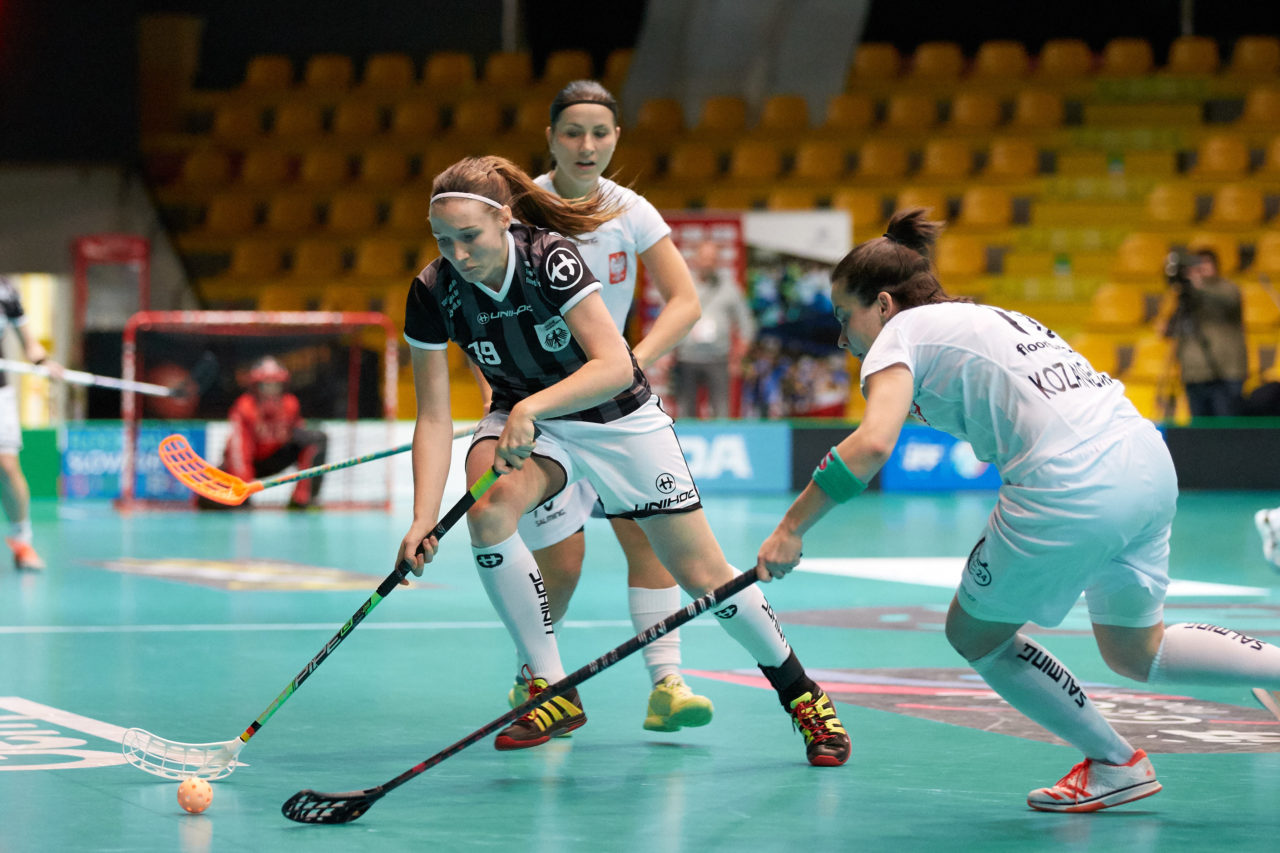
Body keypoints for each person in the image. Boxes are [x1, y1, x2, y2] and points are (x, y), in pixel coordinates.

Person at [755, 208, 1280, 808]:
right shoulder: (987, 316)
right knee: (1138, 650)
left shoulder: (900, 333)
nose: (842, 338)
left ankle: (1117, 763)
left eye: (844, 317)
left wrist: (791, 528)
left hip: (1069, 483)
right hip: (1146, 460)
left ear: (882, 303)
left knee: (974, 633)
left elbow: (873, 443)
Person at [397, 155, 850, 765]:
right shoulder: (433, 291)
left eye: (469, 237)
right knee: (489, 508)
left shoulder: (549, 258)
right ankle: (551, 687)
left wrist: (531, 408)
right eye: (442, 240)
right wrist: (422, 518)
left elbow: (615, 365)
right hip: (531, 420)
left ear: (504, 219)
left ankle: (802, 695)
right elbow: (432, 416)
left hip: (617, 417)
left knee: (704, 575)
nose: (457, 253)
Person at [485, 80, 714, 731]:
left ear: (616, 138)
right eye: (573, 132)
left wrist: (632, 361)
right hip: (546, 411)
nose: (587, 146)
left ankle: (667, 683)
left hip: (615, 410)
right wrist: (502, 400)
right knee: (561, 566)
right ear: (551, 137)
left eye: (600, 133)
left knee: (651, 541)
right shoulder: (518, 212)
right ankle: (534, 675)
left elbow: (685, 301)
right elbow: (482, 309)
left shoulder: (630, 209)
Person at [205, 356, 327, 509]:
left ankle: (303, 500)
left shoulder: (291, 404)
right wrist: (243, 493)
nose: (271, 392)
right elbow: (240, 453)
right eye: (265, 386)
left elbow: (300, 439)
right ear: (256, 388)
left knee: (316, 439)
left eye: (276, 386)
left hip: (274, 457)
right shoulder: (244, 407)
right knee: (207, 500)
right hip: (245, 465)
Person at [0, 276, 61, 570]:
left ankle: (22, 540)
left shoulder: (6, 291)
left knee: (7, 465)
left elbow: (30, 344)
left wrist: (43, 363)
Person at [671, 240, 756, 419]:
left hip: (718, 360)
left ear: (718, 262)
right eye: (704, 258)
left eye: (712, 259)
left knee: (721, 414)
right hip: (686, 359)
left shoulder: (730, 288)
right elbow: (668, 320)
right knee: (685, 415)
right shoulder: (682, 286)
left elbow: (747, 324)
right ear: (695, 259)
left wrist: (738, 357)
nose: (708, 263)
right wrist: (665, 355)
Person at [1157, 247, 1247, 417]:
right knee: (1199, 427)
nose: (1200, 268)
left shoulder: (1227, 288)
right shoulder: (1186, 294)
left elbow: (1229, 303)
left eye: (1205, 263)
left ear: (1216, 266)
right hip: (1194, 374)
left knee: (1227, 426)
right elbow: (1170, 331)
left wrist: (1199, 287)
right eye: (1195, 264)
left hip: (1225, 372)